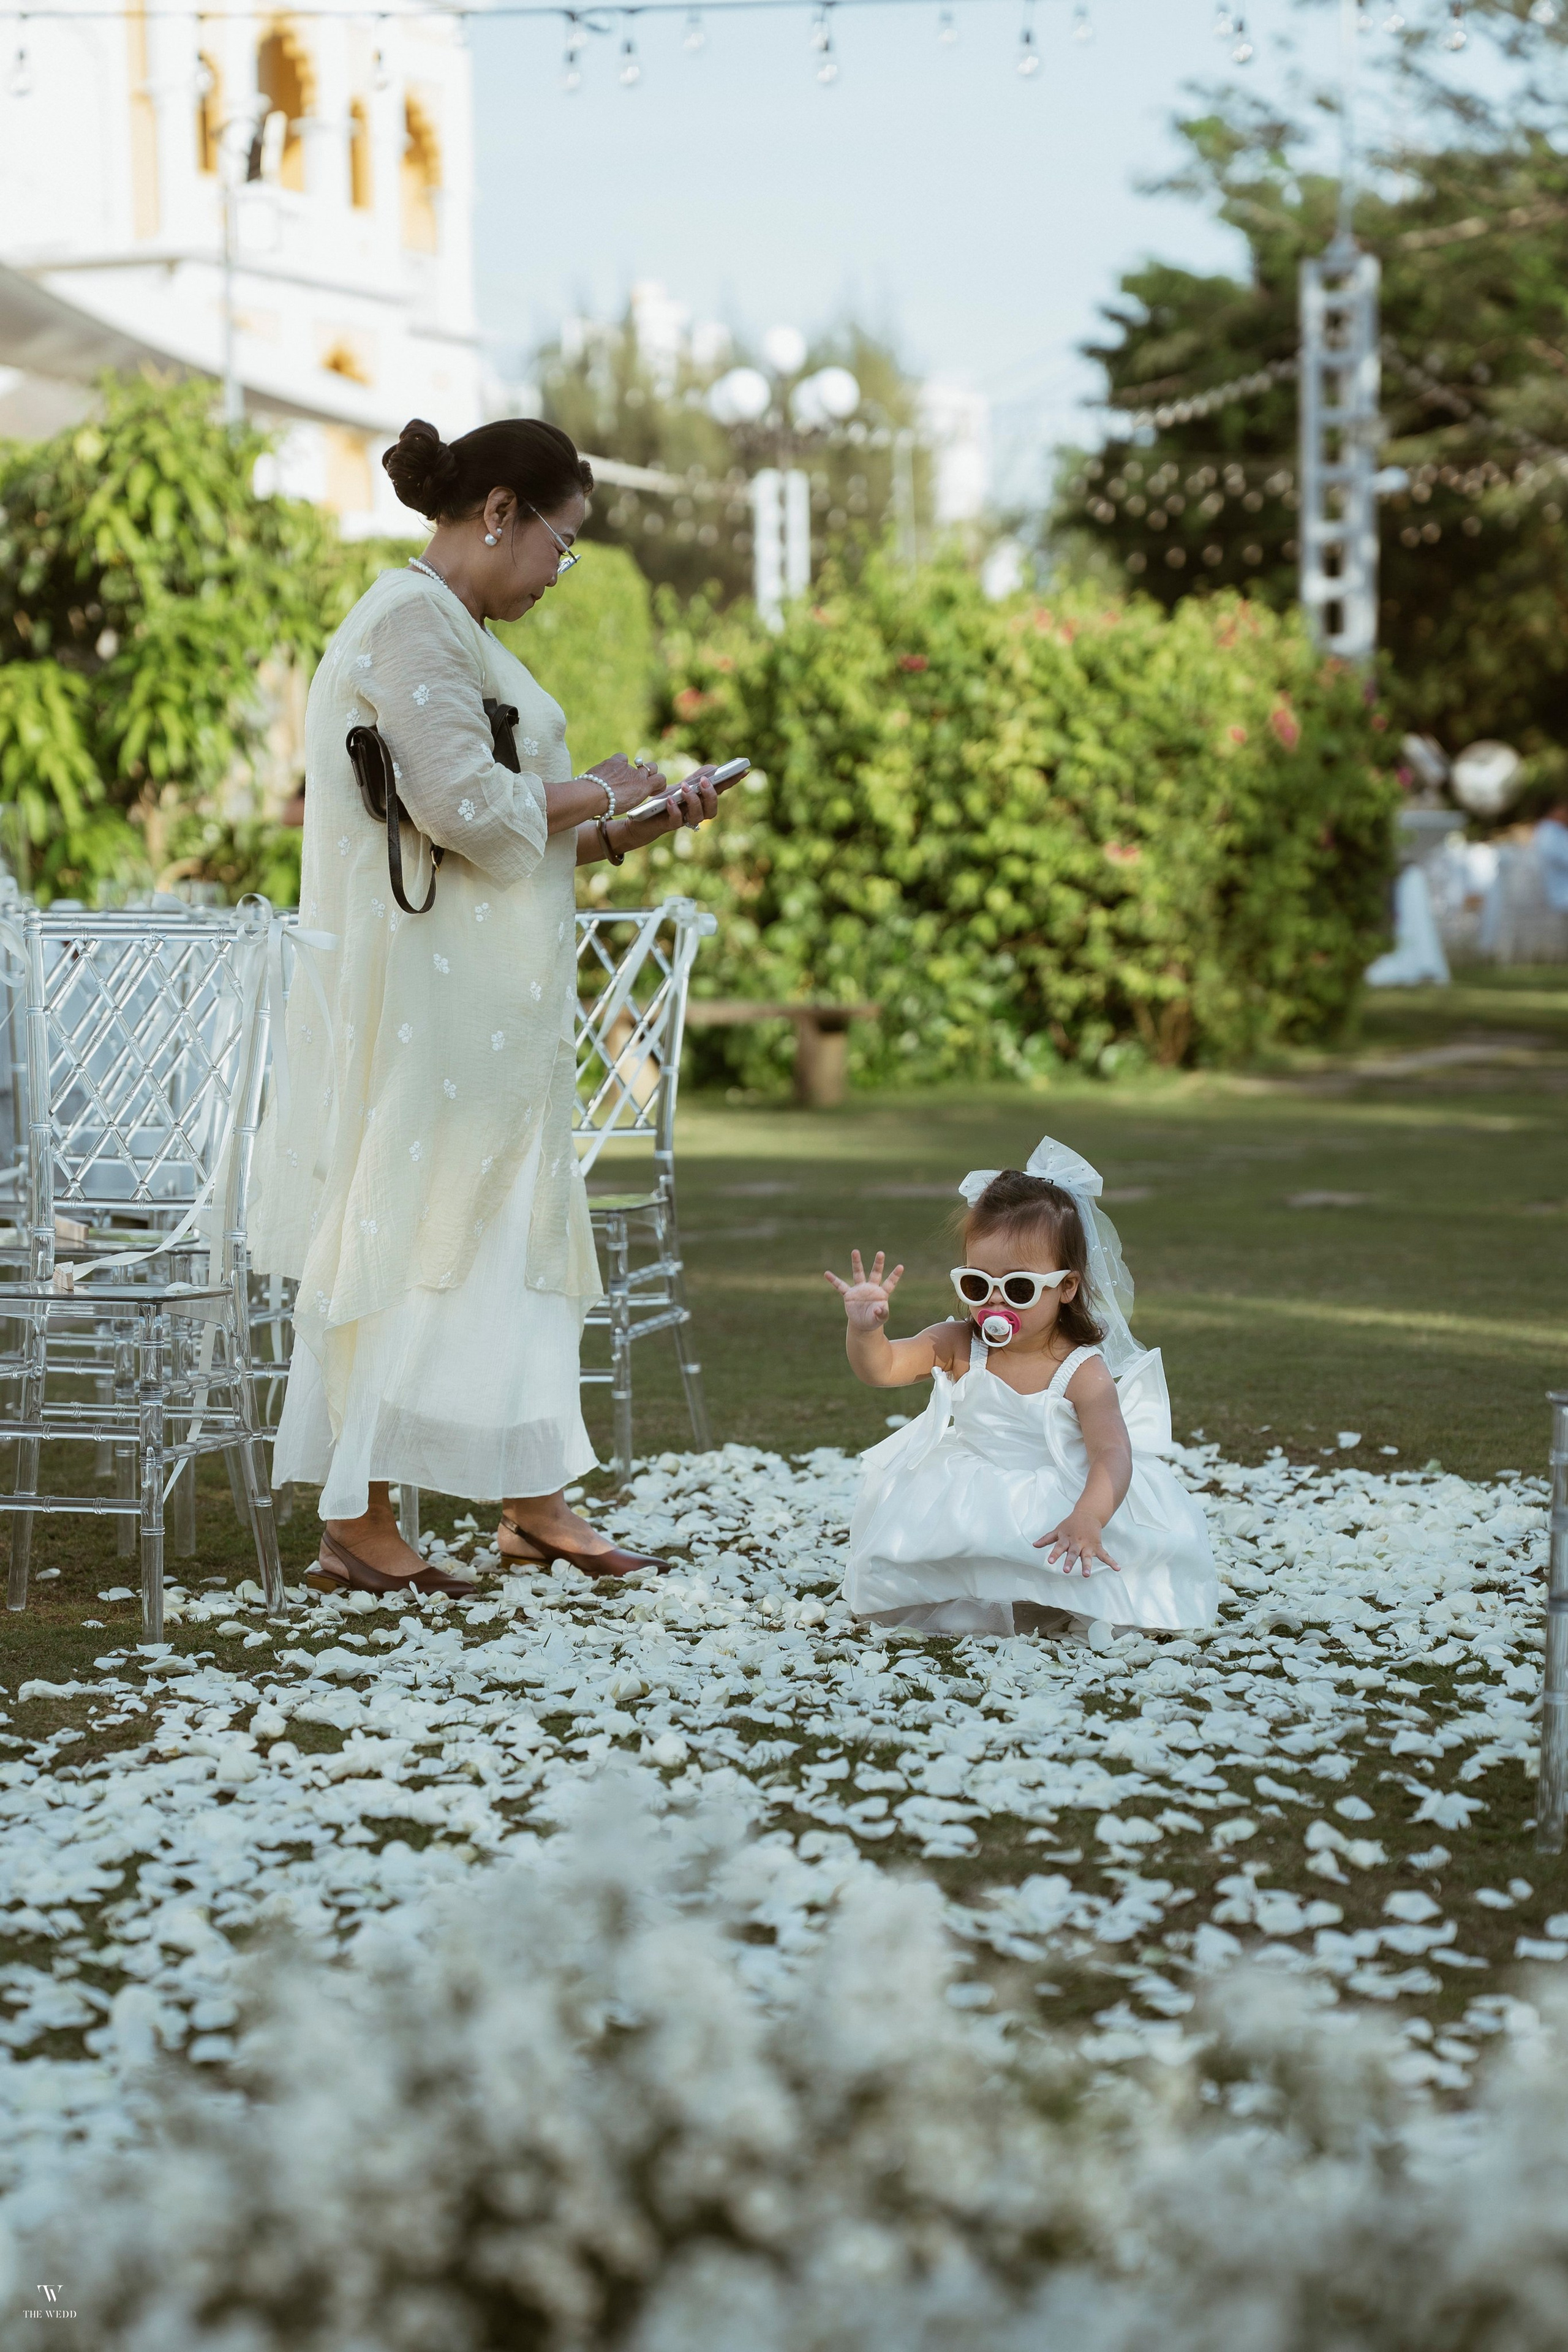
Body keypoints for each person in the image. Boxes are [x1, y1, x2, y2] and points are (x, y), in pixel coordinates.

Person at [250, 415, 745, 1597]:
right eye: (562, 545)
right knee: (402, 1240)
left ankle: (534, 1503)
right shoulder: (411, 620)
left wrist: (629, 824)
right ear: (500, 512)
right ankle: (360, 1523)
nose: (561, 573)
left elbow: (498, 837)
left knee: (508, 1246)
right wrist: (594, 788)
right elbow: (465, 806)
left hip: (486, 1009)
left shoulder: (450, 626)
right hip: (430, 1010)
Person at [824, 1134, 1217, 1640]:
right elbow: (882, 1368)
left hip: (1068, 1496)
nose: (994, 1304)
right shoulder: (957, 1343)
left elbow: (1114, 1453)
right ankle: (990, 1597)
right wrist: (866, 1330)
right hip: (974, 1489)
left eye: (1019, 1288)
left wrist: (1090, 1516)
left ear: (1067, 1288)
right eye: (976, 1285)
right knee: (946, 1551)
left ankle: (1058, 1594)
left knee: (1112, 1571)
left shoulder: (1081, 1370)